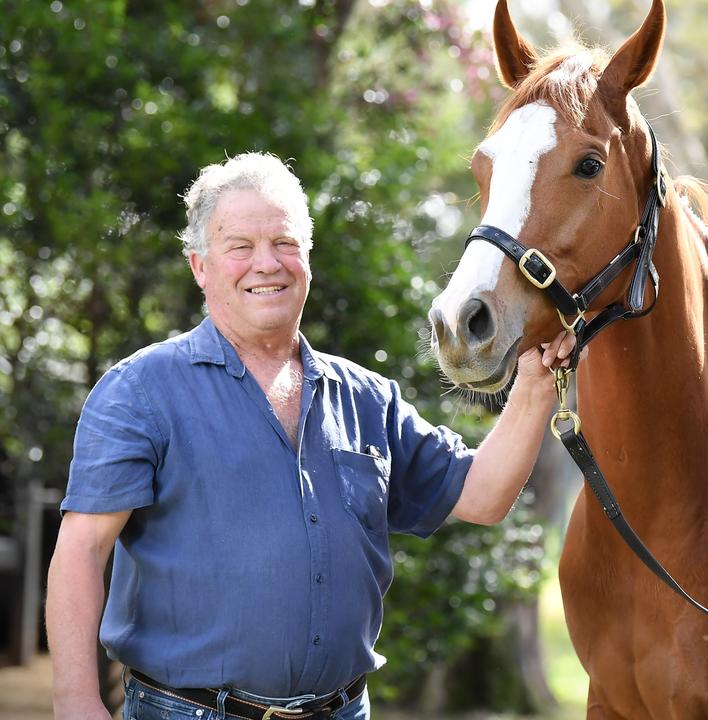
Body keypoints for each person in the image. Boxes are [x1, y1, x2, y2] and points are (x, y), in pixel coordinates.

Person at [46, 152, 578, 720]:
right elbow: (82, 550)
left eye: (284, 243)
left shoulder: (367, 398)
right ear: (200, 265)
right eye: (240, 247)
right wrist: (76, 699)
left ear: (308, 256)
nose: (266, 264)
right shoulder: (140, 391)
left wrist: (534, 387)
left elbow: (482, 495)